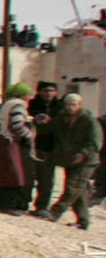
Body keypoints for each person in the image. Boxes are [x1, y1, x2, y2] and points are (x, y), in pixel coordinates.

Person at [37, 93, 100, 230]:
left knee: (73, 187)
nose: (70, 107)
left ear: (79, 105)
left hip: (86, 161)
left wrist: (83, 153)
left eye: (73, 105)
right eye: (68, 104)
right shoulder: (62, 118)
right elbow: (48, 129)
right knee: (79, 192)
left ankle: (55, 212)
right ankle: (83, 221)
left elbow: (95, 142)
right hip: (70, 159)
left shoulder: (89, 121)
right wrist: (41, 123)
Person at [0, 83, 36, 214]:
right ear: (22, 95)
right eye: (29, 94)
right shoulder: (17, 106)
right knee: (13, 174)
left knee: (2, 173)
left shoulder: (8, 105)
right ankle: (11, 205)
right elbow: (17, 126)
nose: (31, 97)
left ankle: (1, 203)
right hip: (9, 143)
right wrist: (29, 135)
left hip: (1, 142)